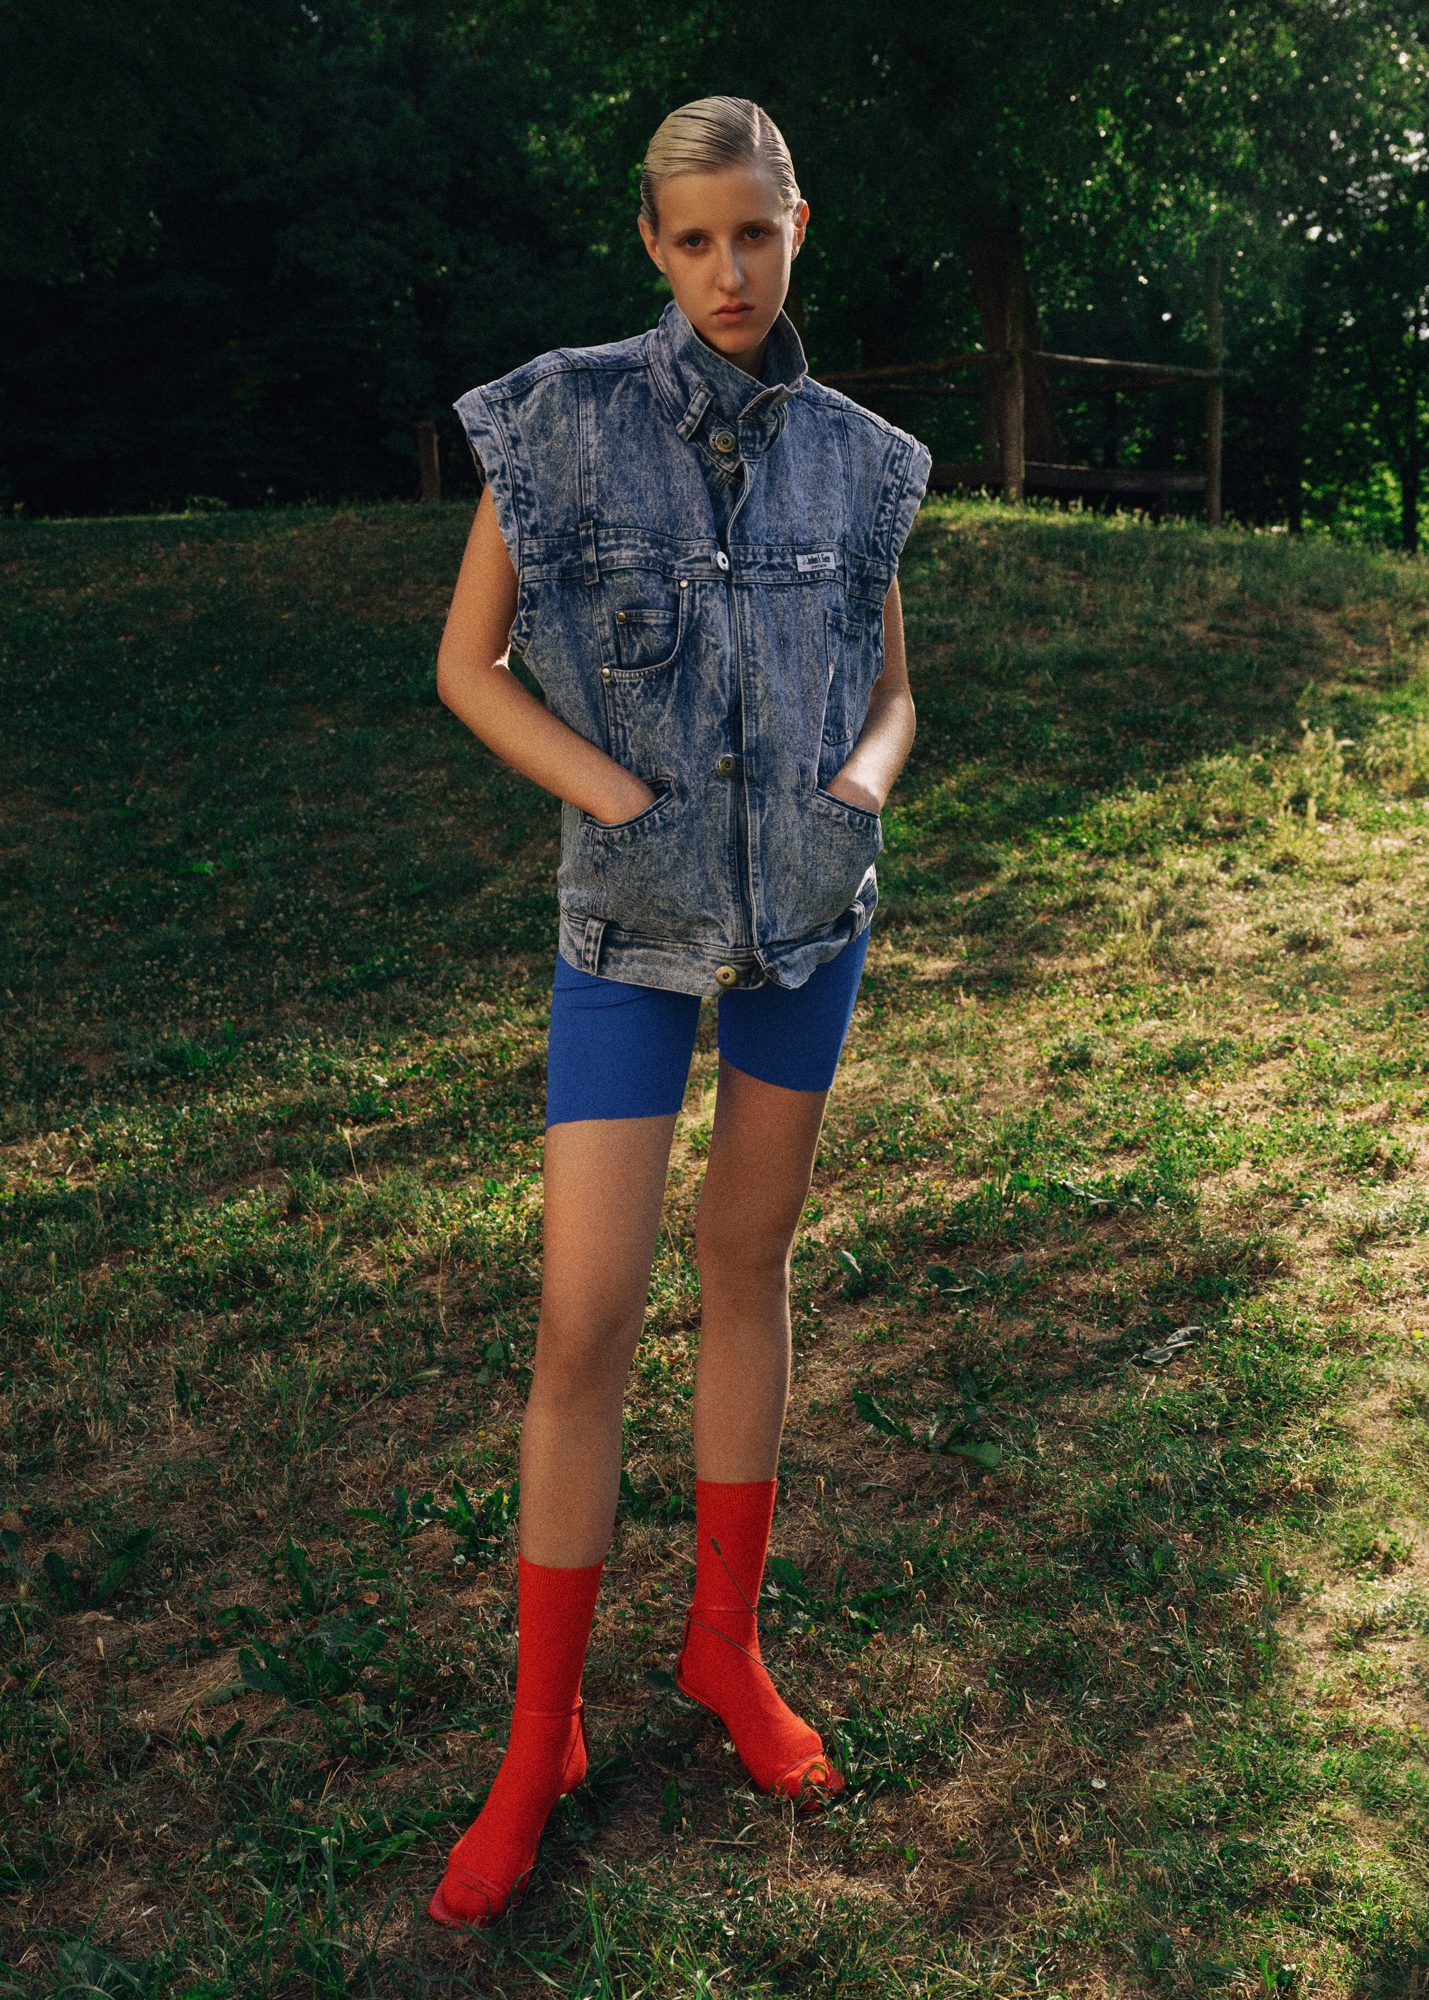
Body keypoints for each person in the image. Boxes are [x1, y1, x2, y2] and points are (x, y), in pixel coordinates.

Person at [428, 95, 930, 1928]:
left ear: (798, 228)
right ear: (651, 243)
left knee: (747, 1261)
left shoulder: (863, 461)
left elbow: (891, 690)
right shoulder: (552, 420)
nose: (729, 271)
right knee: (583, 1321)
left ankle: (724, 1647)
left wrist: (861, 784)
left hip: (808, 921)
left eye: (755, 235)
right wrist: (617, 798)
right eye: (694, 239)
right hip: (624, 931)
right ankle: (538, 1733)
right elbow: (465, 663)